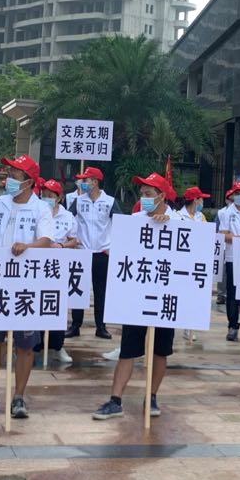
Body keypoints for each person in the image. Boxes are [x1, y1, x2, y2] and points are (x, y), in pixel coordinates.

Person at [92, 174, 180, 419]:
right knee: (128, 349)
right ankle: (115, 399)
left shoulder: (179, 222)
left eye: (148, 194)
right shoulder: (134, 221)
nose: (144, 198)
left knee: (161, 350)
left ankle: (151, 397)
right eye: (142, 194)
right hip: (137, 296)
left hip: (165, 297)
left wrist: (169, 226)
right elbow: (116, 250)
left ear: (162, 196)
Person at [0, 155, 55, 420]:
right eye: (8, 174)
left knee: (25, 345)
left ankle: (19, 397)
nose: (8, 180)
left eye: (15, 176)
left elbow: (46, 241)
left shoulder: (40, 208)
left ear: (29, 182)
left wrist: (26, 247)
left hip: (25, 285)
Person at [69, 165, 116, 340]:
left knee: (100, 291)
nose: (82, 183)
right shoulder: (79, 201)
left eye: (86, 180)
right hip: (82, 252)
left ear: (95, 182)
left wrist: (113, 247)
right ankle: (75, 325)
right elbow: (68, 219)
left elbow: (120, 223)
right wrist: (72, 240)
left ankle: (101, 327)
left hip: (102, 253)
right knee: (77, 289)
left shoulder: (109, 201)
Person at [38, 179, 79, 364]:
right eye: (44, 195)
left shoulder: (67, 217)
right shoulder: (37, 212)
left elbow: (74, 241)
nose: (46, 198)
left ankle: (57, 346)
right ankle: (34, 346)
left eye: (50, 195)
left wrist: (61, 246)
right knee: (35, 302)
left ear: (59, 197)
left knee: (57, 305)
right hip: (37, 265)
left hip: (58, 266)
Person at [216, 180, 240, 342]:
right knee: (233, 292)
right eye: (237, 194)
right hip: (234, 256)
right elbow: (222, 234)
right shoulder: (227, 213)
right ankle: (232, 326)